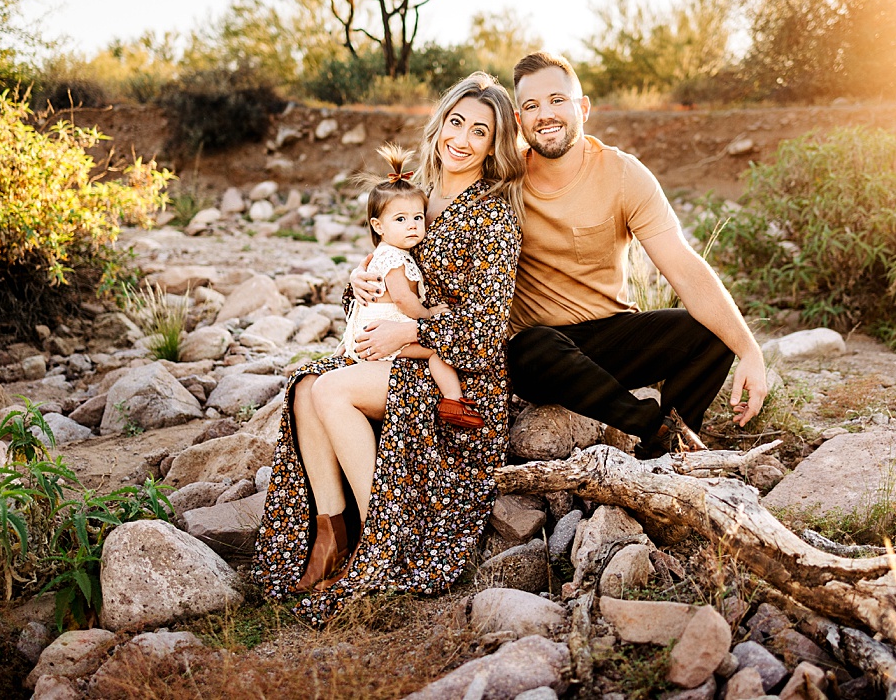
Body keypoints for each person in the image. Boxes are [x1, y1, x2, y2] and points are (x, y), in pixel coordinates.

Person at [350, 53, 766, 459]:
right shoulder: (501, 183)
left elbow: (684, 265)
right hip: (539, 355)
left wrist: (749, 349)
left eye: (557, 101)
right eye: (530, 105)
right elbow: (426, 242)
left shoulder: (624, 174)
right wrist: (366, 272)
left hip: (613, 333)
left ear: (582, 107)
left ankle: (668, 442)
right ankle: (650, 424)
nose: (545, 114)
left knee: (711, 331)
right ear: (518, 121)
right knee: (534, 347)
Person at [253, 76, 522, 617]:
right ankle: (332, 537)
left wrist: (414, 332)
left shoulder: (493, 216)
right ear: (439, 124)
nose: (462, 140)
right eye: (455, 123)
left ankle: (385, 541)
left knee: (332, 394)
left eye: (480, 132)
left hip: (460, 374)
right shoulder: (414, 197)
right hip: (403, 353)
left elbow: (488, 326)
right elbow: (389, 286)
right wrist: (361, 288)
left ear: (495, 146)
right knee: (305, 386)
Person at [343, 147, 485, 431]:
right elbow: (403, 299)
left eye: (418, 218)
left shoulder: (388, 252)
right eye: (400, 219)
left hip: (370, 334)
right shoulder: (395, 259)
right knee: (435, 352)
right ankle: (454, 401)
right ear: (377, 225)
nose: (412, 226)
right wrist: (429, 314)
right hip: (380, 336)